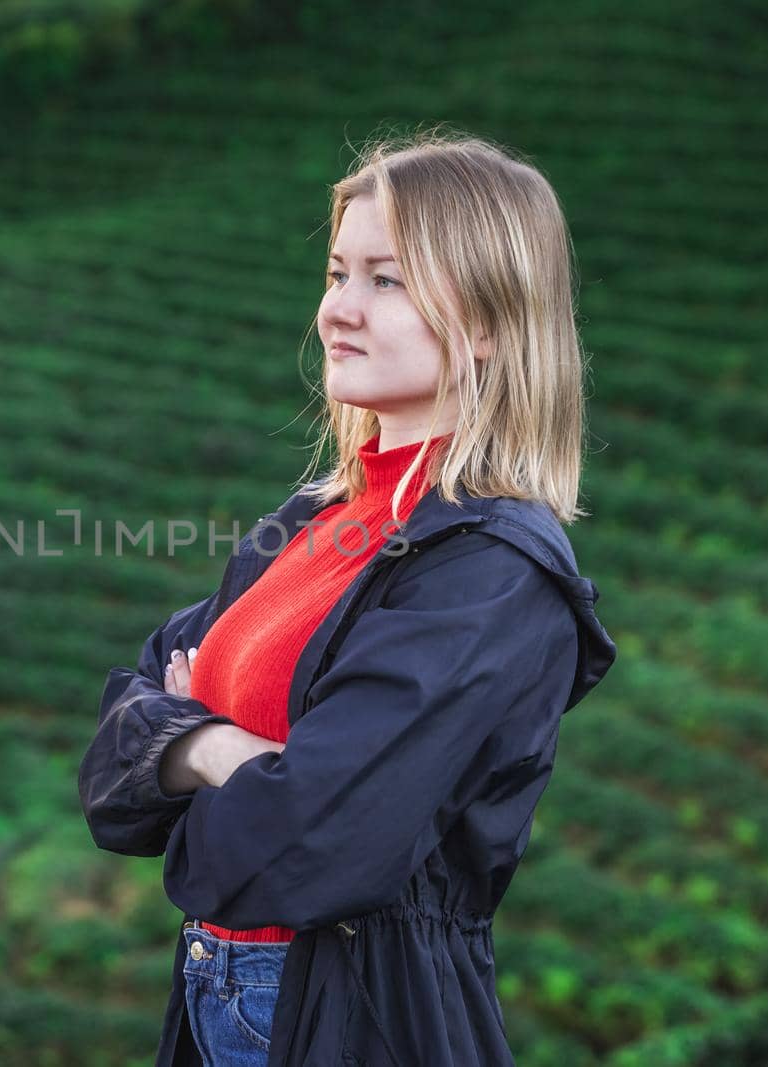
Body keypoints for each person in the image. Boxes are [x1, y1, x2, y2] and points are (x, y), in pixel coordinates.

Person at [77, 129, 619, 1067]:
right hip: (215, 995)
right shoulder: (309, 521)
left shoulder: (493, 567)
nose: (338, 309)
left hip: (360, 1021)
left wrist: (188, 739)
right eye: (337, 273)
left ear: (490, 322)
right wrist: (227, 748)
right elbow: (113, 775)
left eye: (387, 280)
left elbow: (315, 837)